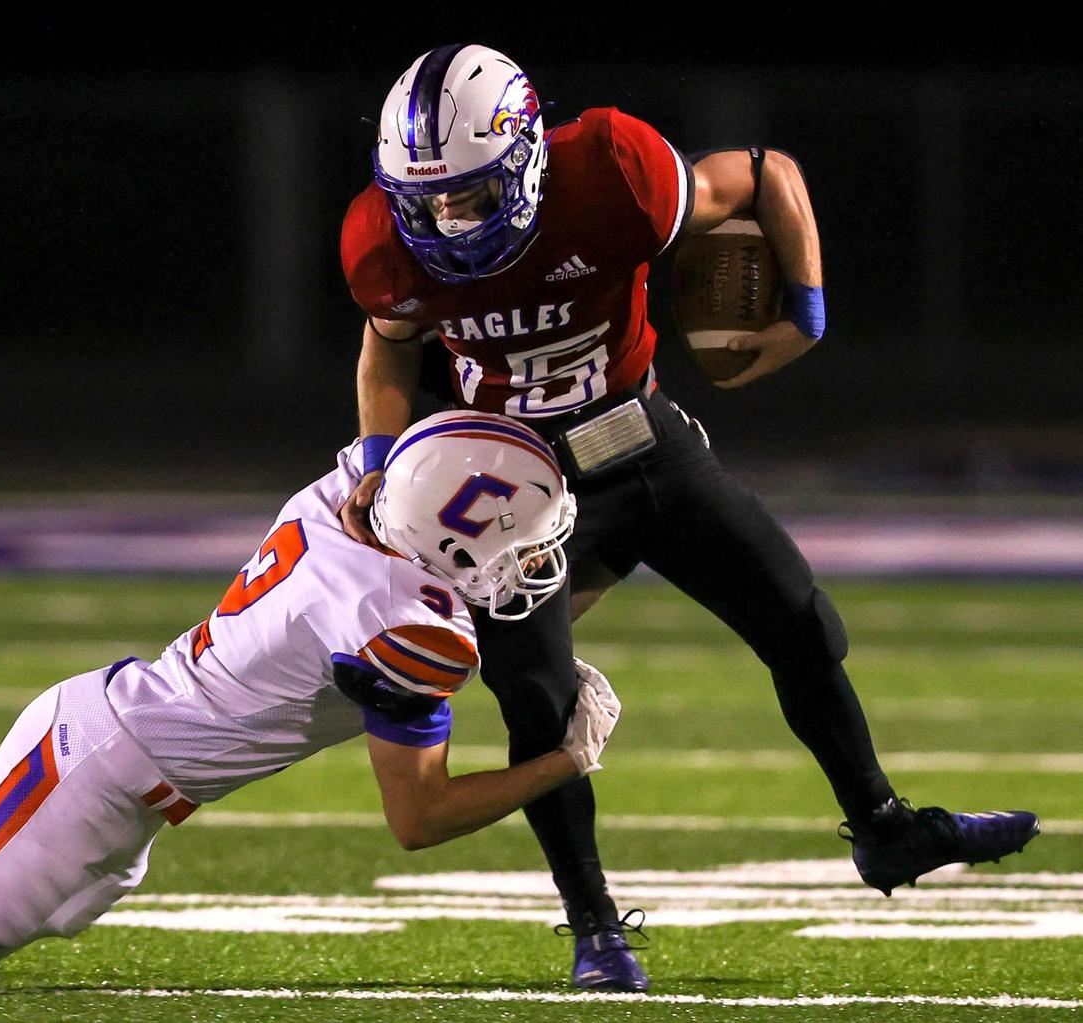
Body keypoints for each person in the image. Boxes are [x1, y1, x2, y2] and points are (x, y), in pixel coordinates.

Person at [339, 44, 1041, 992]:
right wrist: (377, 461)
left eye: (472, 195)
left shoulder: (612, 171)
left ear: (527, 155)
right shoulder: (385, 240)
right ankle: (594, 925)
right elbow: (387, 346)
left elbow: (763, 173)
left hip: (641, 437)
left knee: (800, 618)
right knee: (539, 703)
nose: (449, 223)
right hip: (514, 481)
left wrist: (807, 311)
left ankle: (884, 829)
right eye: (429, 203)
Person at [0, 411, 622, 983]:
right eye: (526, 547)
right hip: (90, 777)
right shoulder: (405, 629)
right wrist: (567, 758)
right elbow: (421, 817)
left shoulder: (351, 492)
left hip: (113, 766)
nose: (540, 563)